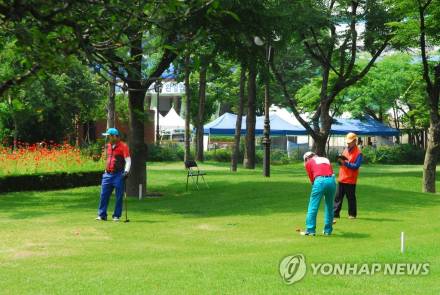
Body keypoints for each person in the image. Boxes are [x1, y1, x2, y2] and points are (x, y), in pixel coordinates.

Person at [96, 128, 131, 221]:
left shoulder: (123, 146)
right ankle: (102, 215)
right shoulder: (107, 146)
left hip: (118, 175)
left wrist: (126, 171)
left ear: (115, 136)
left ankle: (116, 216)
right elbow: (107, 159)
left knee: (119, 196)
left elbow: (128, 160)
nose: (108, 138)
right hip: (107, 175)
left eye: (109, 136)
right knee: (103, 195)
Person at [300, 151, 336, 236]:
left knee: (313, 206)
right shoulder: (326, 159)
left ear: (307, 158)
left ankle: (310, 230)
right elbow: (330, 171)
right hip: (331, 181)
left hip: (319, 181)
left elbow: (312, 180)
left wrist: (320, 188)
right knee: (329, 206)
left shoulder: (309, 162)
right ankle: (328, 231)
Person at [333, 132, 362, 221]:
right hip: (342, 178)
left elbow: (356, 166)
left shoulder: (359, 153)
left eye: (350, 142)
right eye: (347, 142)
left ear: (355, 141)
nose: (348, 143)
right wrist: (339, 161)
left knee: (351, 198)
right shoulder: (345, 150)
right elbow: (342, 163)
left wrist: (345, 163)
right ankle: (335, 214)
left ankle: (352, 214)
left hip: (350, 179)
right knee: (338, 197)